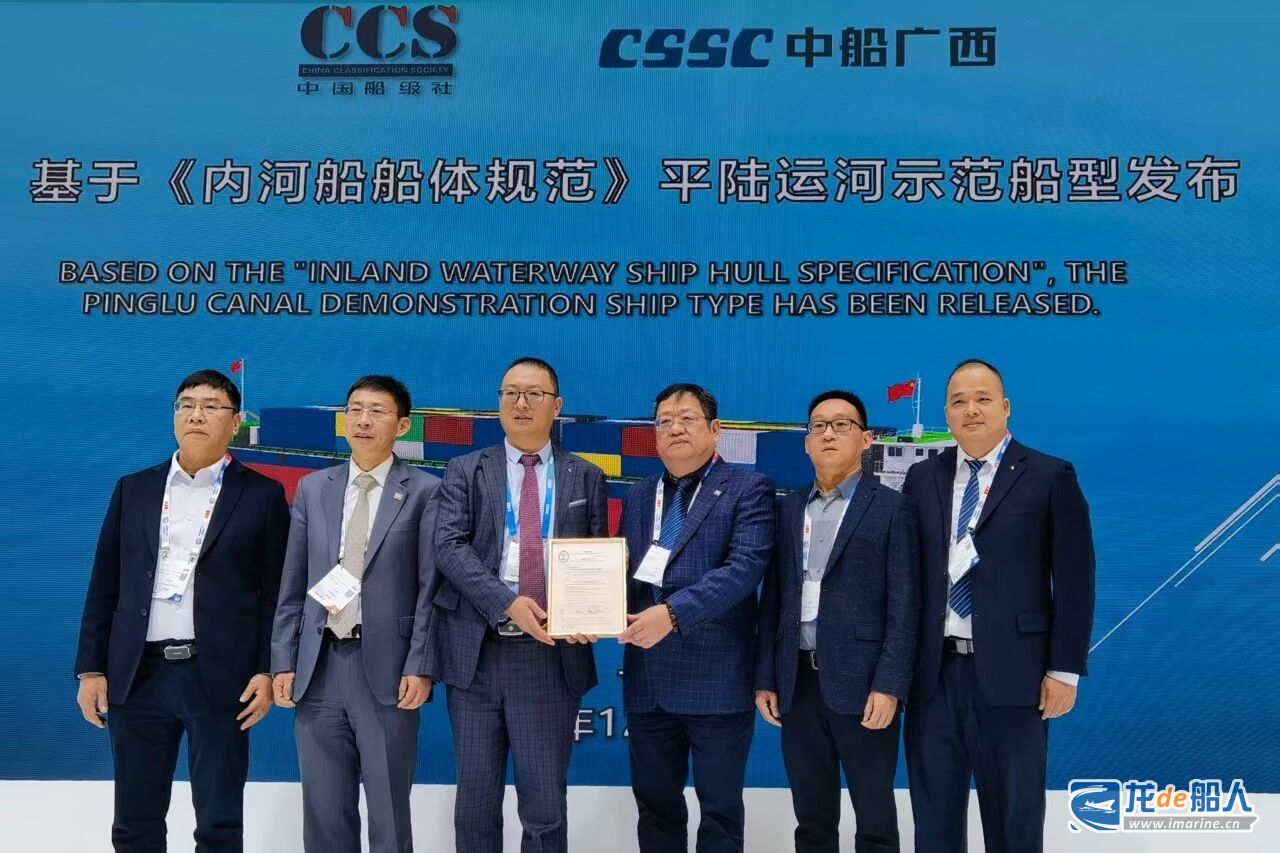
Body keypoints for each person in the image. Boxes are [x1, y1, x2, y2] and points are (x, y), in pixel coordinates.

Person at [74, 368, 289, 852]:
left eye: (211, 406)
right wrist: (91, 669)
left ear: (235, 422)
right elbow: (104, 584)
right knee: (135, 820)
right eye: (186, 404)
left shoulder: (262, 495)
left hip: (221, 676)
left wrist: (266, 668)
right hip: (137, 674)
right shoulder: (134, 489)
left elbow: (275, 593)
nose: (196, 414)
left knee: (219, 821)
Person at [902, 359, 1096, 853]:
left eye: (983, 399)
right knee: (934, 822)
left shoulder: (1050, 475)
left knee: (1015, 822)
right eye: (959, 401)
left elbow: (1076, 580)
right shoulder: (922, 478)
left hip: (1016, 676)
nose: (971, 410)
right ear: (947, 413)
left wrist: (1065, 670)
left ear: (1005, 407)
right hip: (933, 677)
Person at [431, 356, 608, 853]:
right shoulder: (465, 470)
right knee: (475, 805)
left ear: (557, 406)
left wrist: (593, 609)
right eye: (510, 392)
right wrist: (507, 603)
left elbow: (596, 554)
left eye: (533, 393)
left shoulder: (585, 476)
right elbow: (449, 546)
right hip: (478, 654)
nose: (521, 403)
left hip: (549, 657)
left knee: (545, 807)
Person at [270, 375, 440, 853]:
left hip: (387, 670)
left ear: (402, 425)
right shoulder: (313, 488)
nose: (364, 421)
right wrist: (282, 660)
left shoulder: (426, 490)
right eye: (355, 410)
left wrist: (421, 664)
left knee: (388, 814)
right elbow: (293, 582)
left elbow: (431, 589)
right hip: (318, 667)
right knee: (324, 815)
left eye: (377, 411)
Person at [755, 389, 920, 853]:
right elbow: (773, 600)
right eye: (819, 426)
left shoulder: (893, 509)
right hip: (797, 683)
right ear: (807, 442)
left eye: (842, 425)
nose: (828, 433)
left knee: (875, 819)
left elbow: (905, 606)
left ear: (865, 439)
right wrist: (766, 677)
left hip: (865, 686)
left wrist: (890, 685)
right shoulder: (788, 509)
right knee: (811, 820)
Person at [617, 383, 775, 853]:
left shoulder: (749, 489)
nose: (675, 428)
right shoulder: (639, 496)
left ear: (715, 429)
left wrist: (672, 613)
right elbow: (628, 573)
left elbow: (743, 570)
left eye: (687, 418)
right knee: (655, 808)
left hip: (716, 683)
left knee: (720, 812)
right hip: (648, 680)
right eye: (664, 421)